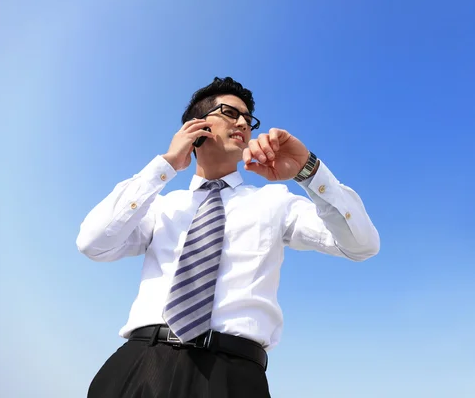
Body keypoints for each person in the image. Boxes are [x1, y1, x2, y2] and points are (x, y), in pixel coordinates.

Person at [76, 76, 380, 398]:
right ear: (197, 126)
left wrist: (308, 170)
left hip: (232, 375)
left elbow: (362, 245)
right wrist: (164, 166)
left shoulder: (275, 202)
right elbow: (93, 242)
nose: (243, 123)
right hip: (142, 363)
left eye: (248, 119)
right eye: (230, 113)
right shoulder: (161, 207)